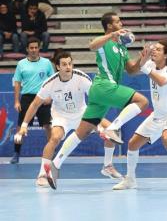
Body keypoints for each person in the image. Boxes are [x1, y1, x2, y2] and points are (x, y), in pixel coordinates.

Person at [43, 12, 148, 190]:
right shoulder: (104, 42)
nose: (121, 23)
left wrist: (142, 59)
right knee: (142, 101)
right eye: (117, 21)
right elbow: (91, 45)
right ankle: (112, 128)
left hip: (103, 92)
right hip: (103, 85)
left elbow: (131, 70)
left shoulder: (122, 48)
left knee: (80, 133)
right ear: (109, 26)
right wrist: (111, 36)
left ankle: (54, 166)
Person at [15, 51, 122, 187]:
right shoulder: (50, 83)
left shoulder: (81, 77)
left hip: (83, 113)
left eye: (70, 63)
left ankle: (107, 166)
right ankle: (42, 174)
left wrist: (98, 124)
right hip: (61, 116)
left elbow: (96, 99)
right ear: (58, 67)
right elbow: (35, 104)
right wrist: (24, 124)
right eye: (64, 64)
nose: (68, 67)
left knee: (111, 130)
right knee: (54, 138)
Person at [113, 40, 167, 191]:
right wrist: (143, 58)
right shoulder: (150, 65)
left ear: (166, 55)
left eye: (158, 50)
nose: (154, 51)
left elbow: (161, 81)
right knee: (132, 144)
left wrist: (145, 66)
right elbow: (133, 70)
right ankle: (130, 180)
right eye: (153, 49)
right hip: (158, 115)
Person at [10, 37, 54, 164]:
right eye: (31, 48)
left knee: (48, 126)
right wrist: (17, 101)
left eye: (36, 47)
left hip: (43, 97)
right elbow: (17, 83)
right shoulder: (21, 64)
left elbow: (53, 81)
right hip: (27, 98)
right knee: (20, 127)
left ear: (39, 48)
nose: (34, 50)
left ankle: (51, 153)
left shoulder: (46, 63)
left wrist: (50, 97)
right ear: (27, 49)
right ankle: (16, 153)